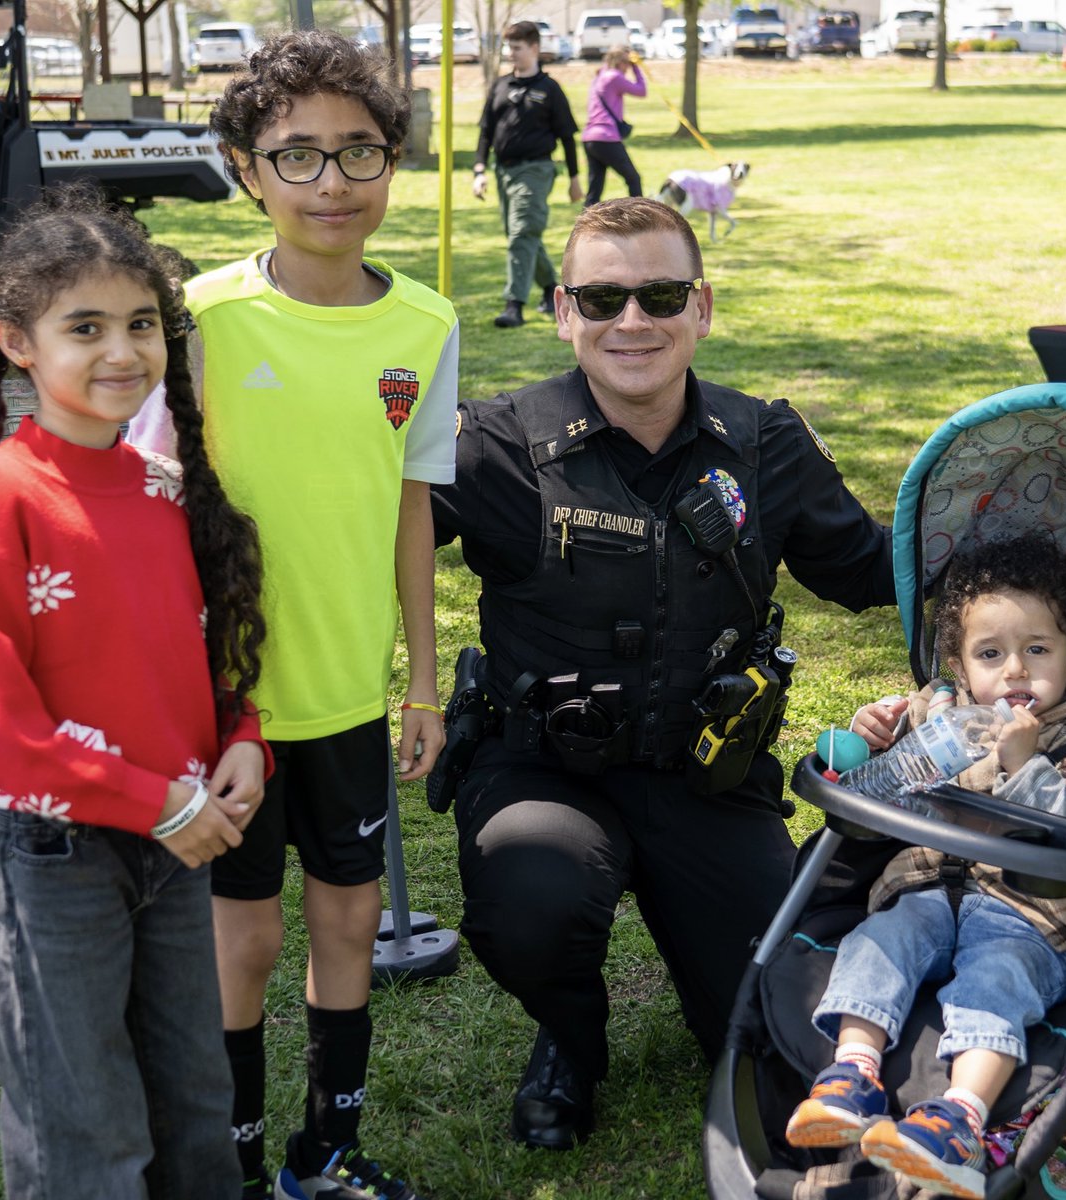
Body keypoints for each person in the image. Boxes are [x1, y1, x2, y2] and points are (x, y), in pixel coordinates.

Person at [429, 196, 894, 1150]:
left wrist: (1015, 535)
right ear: (563, 311)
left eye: (660, 294)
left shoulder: (761, 443)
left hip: (708, 777)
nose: (631, 322)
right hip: (542, 773)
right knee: (533, 901)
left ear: (703, 306)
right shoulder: (496, 447)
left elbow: (870, 568)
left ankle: (721, 960)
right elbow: (356, 528)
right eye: (601, 298)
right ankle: (569, 1039)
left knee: (766, 1018)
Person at [126, 30, 457, 1200]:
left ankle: (328, 1149)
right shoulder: (200, 322)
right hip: (230, 706)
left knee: (350, 916)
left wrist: (419, 681)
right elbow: (147, 512)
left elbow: (414, 509)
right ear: (244, 169)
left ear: (392, 164)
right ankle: (237, 1158)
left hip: (349, 695)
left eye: (358, 154)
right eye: (297, 157)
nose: (332, 184)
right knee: (244, 937)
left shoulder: (425, 325)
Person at [0, 186, 269, 1199]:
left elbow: (205, 654)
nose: (121, 351)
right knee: (81, 1130)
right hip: (55, 859)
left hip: (177, 846)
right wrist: (157, 803)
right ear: (14, 342)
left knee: (194, 1111)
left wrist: (245, 739)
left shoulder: (167, 490)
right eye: (83, 327)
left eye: (141, 324)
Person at [785, 534, 1066, 1200]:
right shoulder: (940, 714)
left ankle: (959, 1117)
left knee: (996, 978)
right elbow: (875, 794)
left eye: (1037, 651)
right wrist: (871, 743)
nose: (1014, 672)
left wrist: (1025, 766)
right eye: (990, 654)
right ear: (958, 663)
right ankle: (851, 1075)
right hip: (927, 890)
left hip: (1039, 917)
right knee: (877, 942)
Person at [472, 19, 583, 329]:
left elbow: (567, 137)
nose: (512, 53)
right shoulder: (501, 86)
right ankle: (550, 289)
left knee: (522, 232)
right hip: (503, 171)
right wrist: (479, 170)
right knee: (522, 235)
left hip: (536, 169)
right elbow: (485, 132)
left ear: (534, 48)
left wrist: (575, 179)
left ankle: (514, 305)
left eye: (517, 48)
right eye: (509, 47)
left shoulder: (549, 89)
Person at [581, 45, 646, 207]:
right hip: (606, 137)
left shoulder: (599, 77)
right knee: (633, 179)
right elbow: (641, 91)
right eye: (627, 63)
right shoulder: (615, 77)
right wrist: (636, 67)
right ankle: (641, 221)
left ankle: (584, 228)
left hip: (589, 138)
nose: (628, 67)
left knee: (594, 189)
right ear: (621, 62)